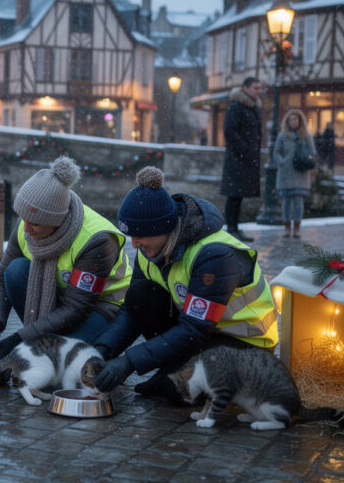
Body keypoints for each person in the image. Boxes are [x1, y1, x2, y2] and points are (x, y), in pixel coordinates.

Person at [91, 166, 278, 403]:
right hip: (204, 333)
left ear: (163, 228)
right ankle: (170, 371)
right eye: (131, 235)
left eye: (140, 235)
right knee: (140, 295)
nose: (135, 244)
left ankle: (170, 376)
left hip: (246, 346)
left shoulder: (215, 256)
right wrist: (101, 350)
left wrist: (129, 362)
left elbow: (194, 329)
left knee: (175, 391)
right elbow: (131, 310)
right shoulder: (149, 250)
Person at [0, 156, 132, 359]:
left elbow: (76, 308)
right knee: (15, 270)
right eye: (23, 218)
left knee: (63, 363)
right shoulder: (27, 225)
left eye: (34, 223)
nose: (26, 228)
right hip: (62, 298)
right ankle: (44, 340)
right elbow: (0, 279)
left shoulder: (98, 239)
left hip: (103, 307)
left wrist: (19, 338)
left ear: (55, 220)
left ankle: (80, 345)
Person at [221, 77, 263, 242]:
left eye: (260, 88)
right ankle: (231, 229)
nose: (258, 91)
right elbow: (229, 131)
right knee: (234, 195)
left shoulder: (252, 107)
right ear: (245, 88)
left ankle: (234, 228)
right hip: (238, 159)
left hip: (246, 158)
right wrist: (245, 150)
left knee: (238, 195)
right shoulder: (236, 107)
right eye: (255, 88)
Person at [272, 109, 316, 239]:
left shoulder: (306, 136)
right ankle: (286, 227)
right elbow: (276, 152)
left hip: (300, 173)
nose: (293, 122)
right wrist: (282, 162)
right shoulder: (282, 135)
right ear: (287, 121)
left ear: (300, 121)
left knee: (298, 201)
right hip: (285, 173)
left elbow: (313, 152)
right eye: (290, 119)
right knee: (286, 202)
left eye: (295, 119)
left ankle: (296, 228)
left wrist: (305, 161)